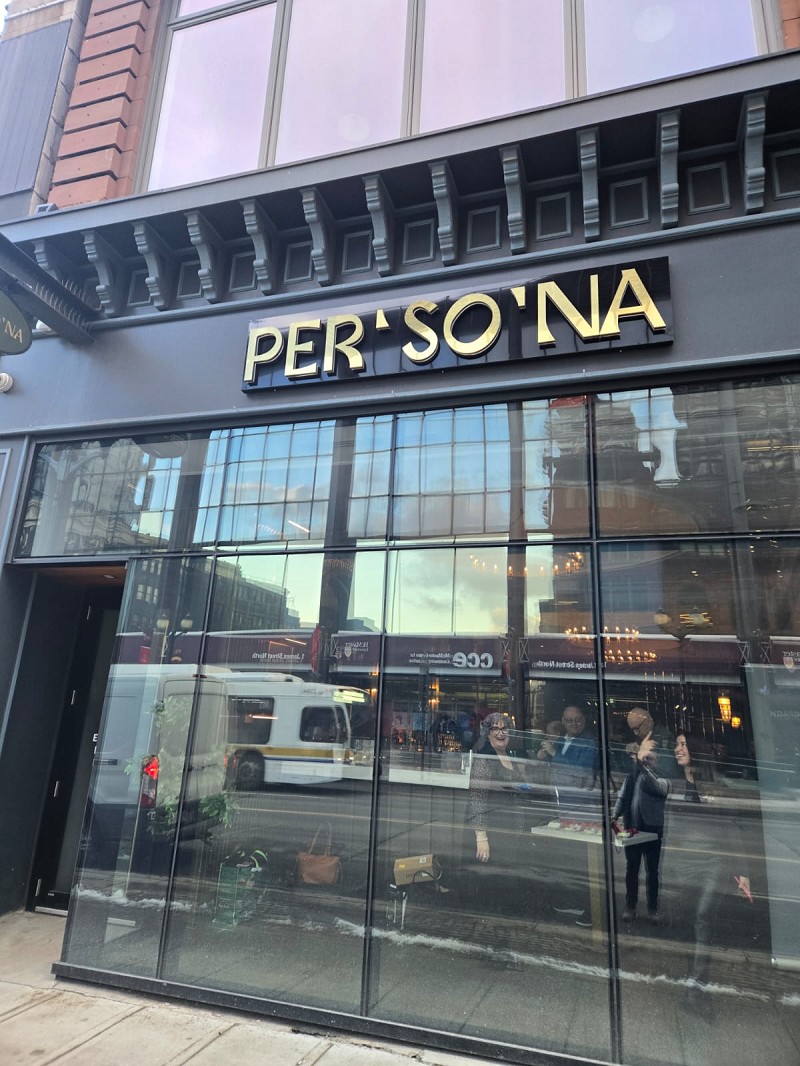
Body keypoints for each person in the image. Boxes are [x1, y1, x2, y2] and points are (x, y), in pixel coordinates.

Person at [671, 732, 753, 1015]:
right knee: (687, 922)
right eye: (677, 744)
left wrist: (743, 871)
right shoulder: (675, 783)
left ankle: (696, 985)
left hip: (711, 863)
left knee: (703, 919)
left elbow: (732, 829)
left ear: (695, 750)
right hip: (683, 864)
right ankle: (693, 974)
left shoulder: (713, 784)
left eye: (683, 744)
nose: (677, 748)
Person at [612, 731, 670, 923]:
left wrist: (641, 764)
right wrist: (614, 816)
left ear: (657, 762)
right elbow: (622, 798)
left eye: (650, 759)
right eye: (644, 759)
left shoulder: (662, 781)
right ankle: (630, 906)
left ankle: (653, 909)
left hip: (652, 832)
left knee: (652, 872)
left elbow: (656, 787)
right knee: (632, 870)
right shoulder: (631, 779)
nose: (646, 762)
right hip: (633, 831)